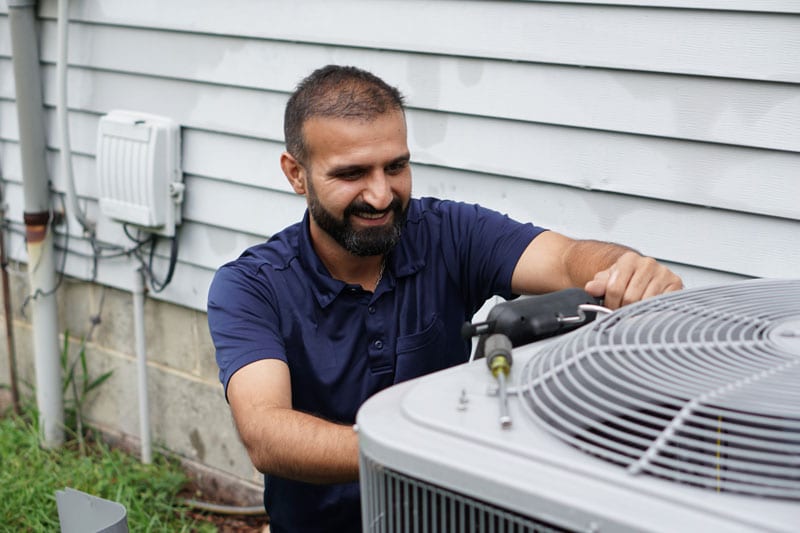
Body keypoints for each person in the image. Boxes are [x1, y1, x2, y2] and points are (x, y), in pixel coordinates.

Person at [207, 65, 683, 532]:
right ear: (297, 174)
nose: (380, 195)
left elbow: (566, 259)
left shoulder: (449, 233)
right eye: (351, 173)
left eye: (396, 166)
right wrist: (427, 447)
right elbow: (266, 433)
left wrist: (627, 269)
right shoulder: (250, 287)